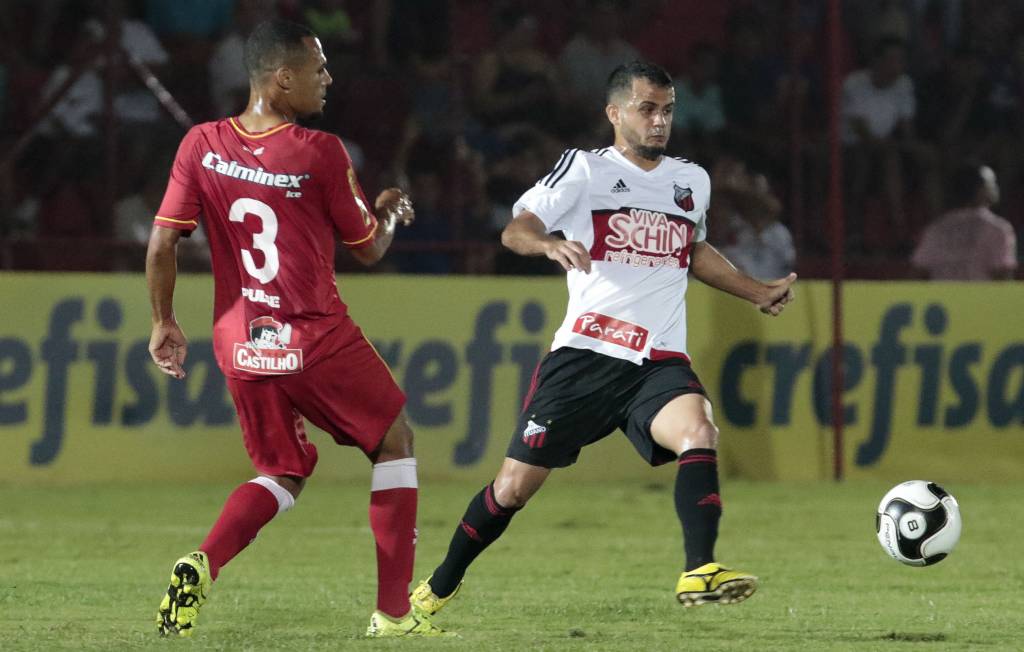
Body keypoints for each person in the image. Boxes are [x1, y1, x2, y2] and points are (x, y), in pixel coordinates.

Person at [409, 61, 797, 622]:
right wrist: (547, 246)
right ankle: (438, 588)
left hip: (656, 359)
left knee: (699, 430)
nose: (659, 121)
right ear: (615, 114)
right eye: (647, 109)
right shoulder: (585, 170)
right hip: (586, 357)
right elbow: (515, 228)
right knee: (513, 489)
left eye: (667, 110)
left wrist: (754, 290)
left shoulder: (692, 180)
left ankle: (700, 568)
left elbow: (693, 252)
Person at [145, 20, 449, 638]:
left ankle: (203, 561)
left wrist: (163, 320)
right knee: (395, 442)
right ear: (283, 78)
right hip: (312, 337)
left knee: (282, 469)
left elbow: (160, 244)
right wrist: (389, 209)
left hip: (239, 343)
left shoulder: (201, 143)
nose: (328, 78)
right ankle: (394, 616)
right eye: (319, 68)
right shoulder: (320, 151)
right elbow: (367, 249)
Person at [911, 163, 1018, 280]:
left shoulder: (936, 228)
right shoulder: (997, 229)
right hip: (981, 298)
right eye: (992, 183)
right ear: (980, 190)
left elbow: (918, 272)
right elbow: (1003, 276)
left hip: (944, 298)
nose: (996, 187)